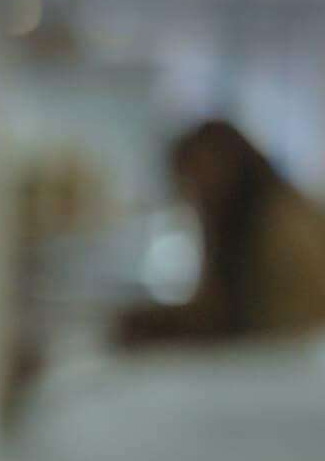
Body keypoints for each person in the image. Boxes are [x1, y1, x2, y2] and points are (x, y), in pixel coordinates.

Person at [119, 118, 325, 344]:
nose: (194, 191)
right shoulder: (234, 220)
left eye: (199, 173)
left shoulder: (282, 228)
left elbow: (281, 329)